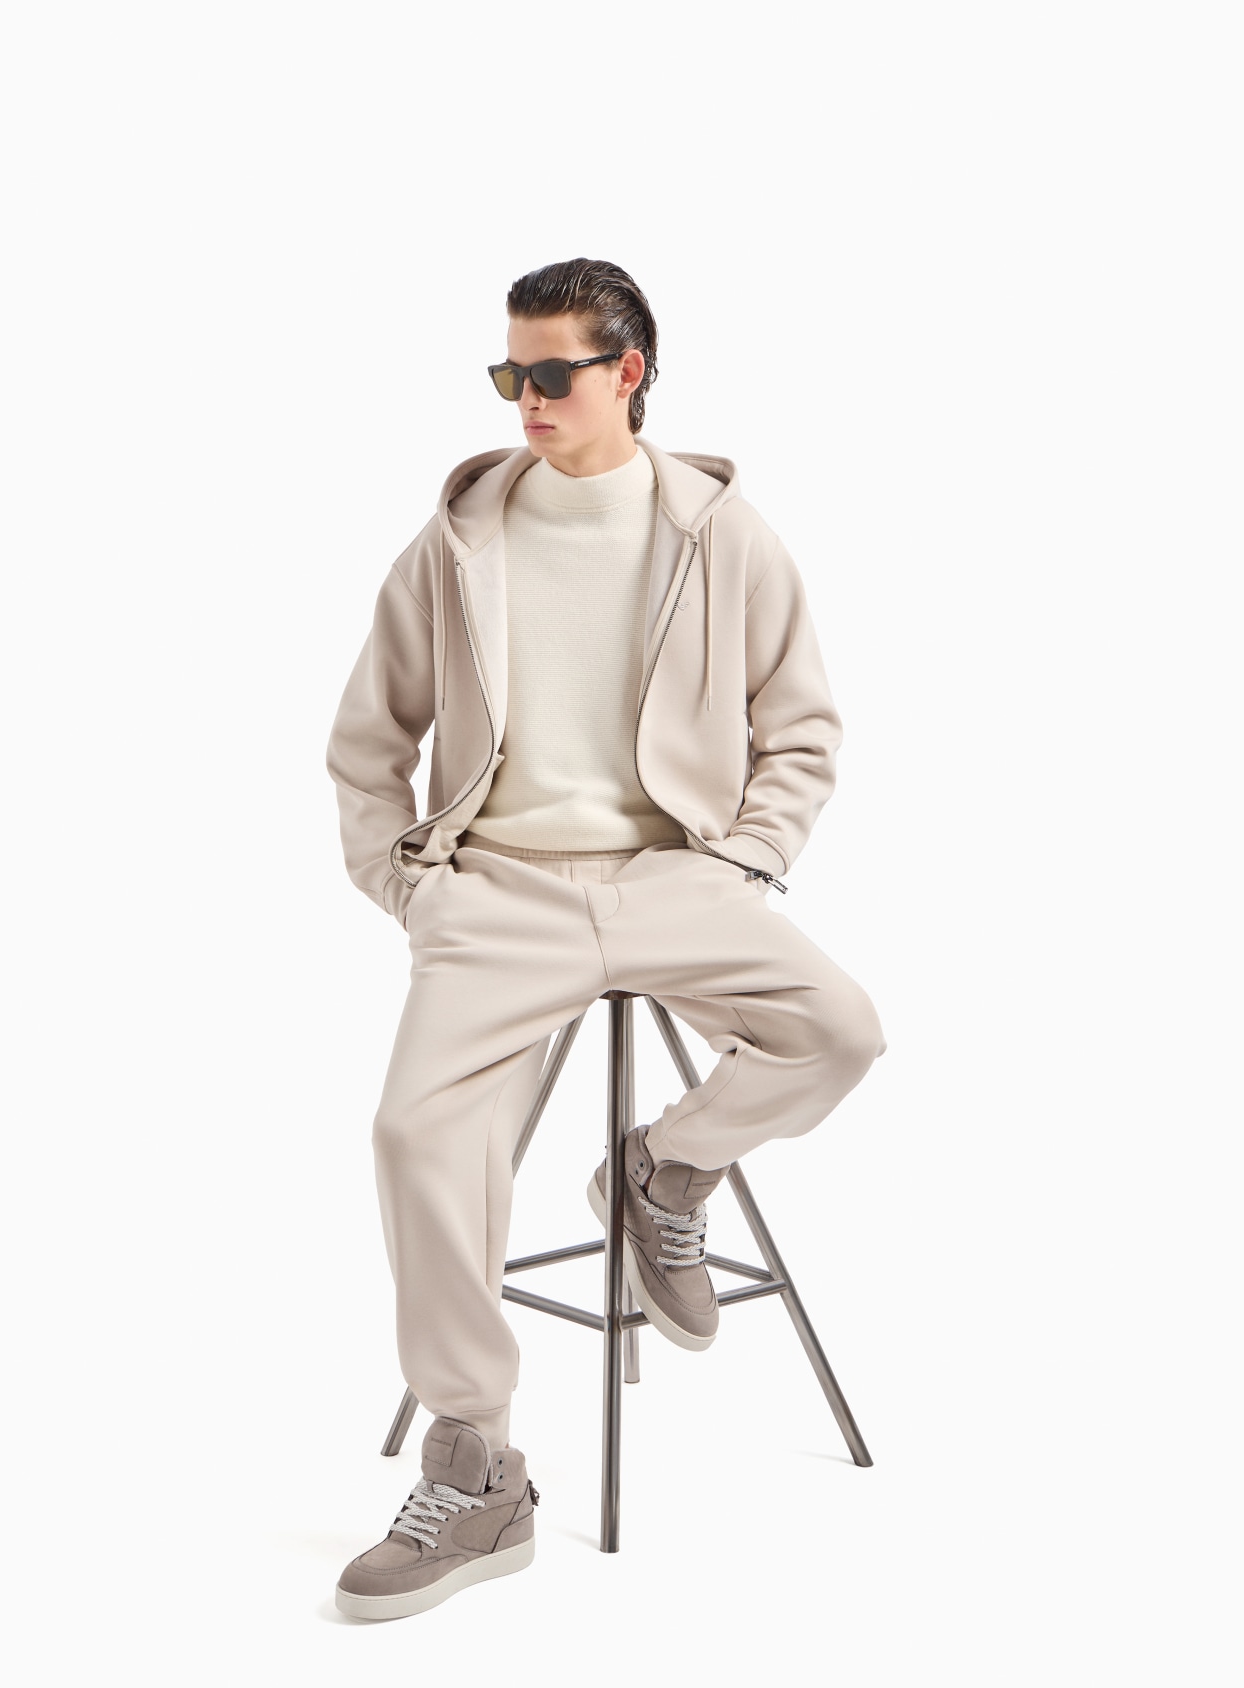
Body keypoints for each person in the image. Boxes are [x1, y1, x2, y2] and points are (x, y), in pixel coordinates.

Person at [324, 257, 887, 1621]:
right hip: (500, 892)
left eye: (550, 373)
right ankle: (476, 1465)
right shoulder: (456, 540)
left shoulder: (722, 533)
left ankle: (664, 1170)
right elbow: (369, 735)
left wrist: (748, 857)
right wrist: (408, 883)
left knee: (839, 1032)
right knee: (414, 1135)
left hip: (675, 876)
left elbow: (801, 724)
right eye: (506, 374)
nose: (524, 399)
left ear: (628, 373)